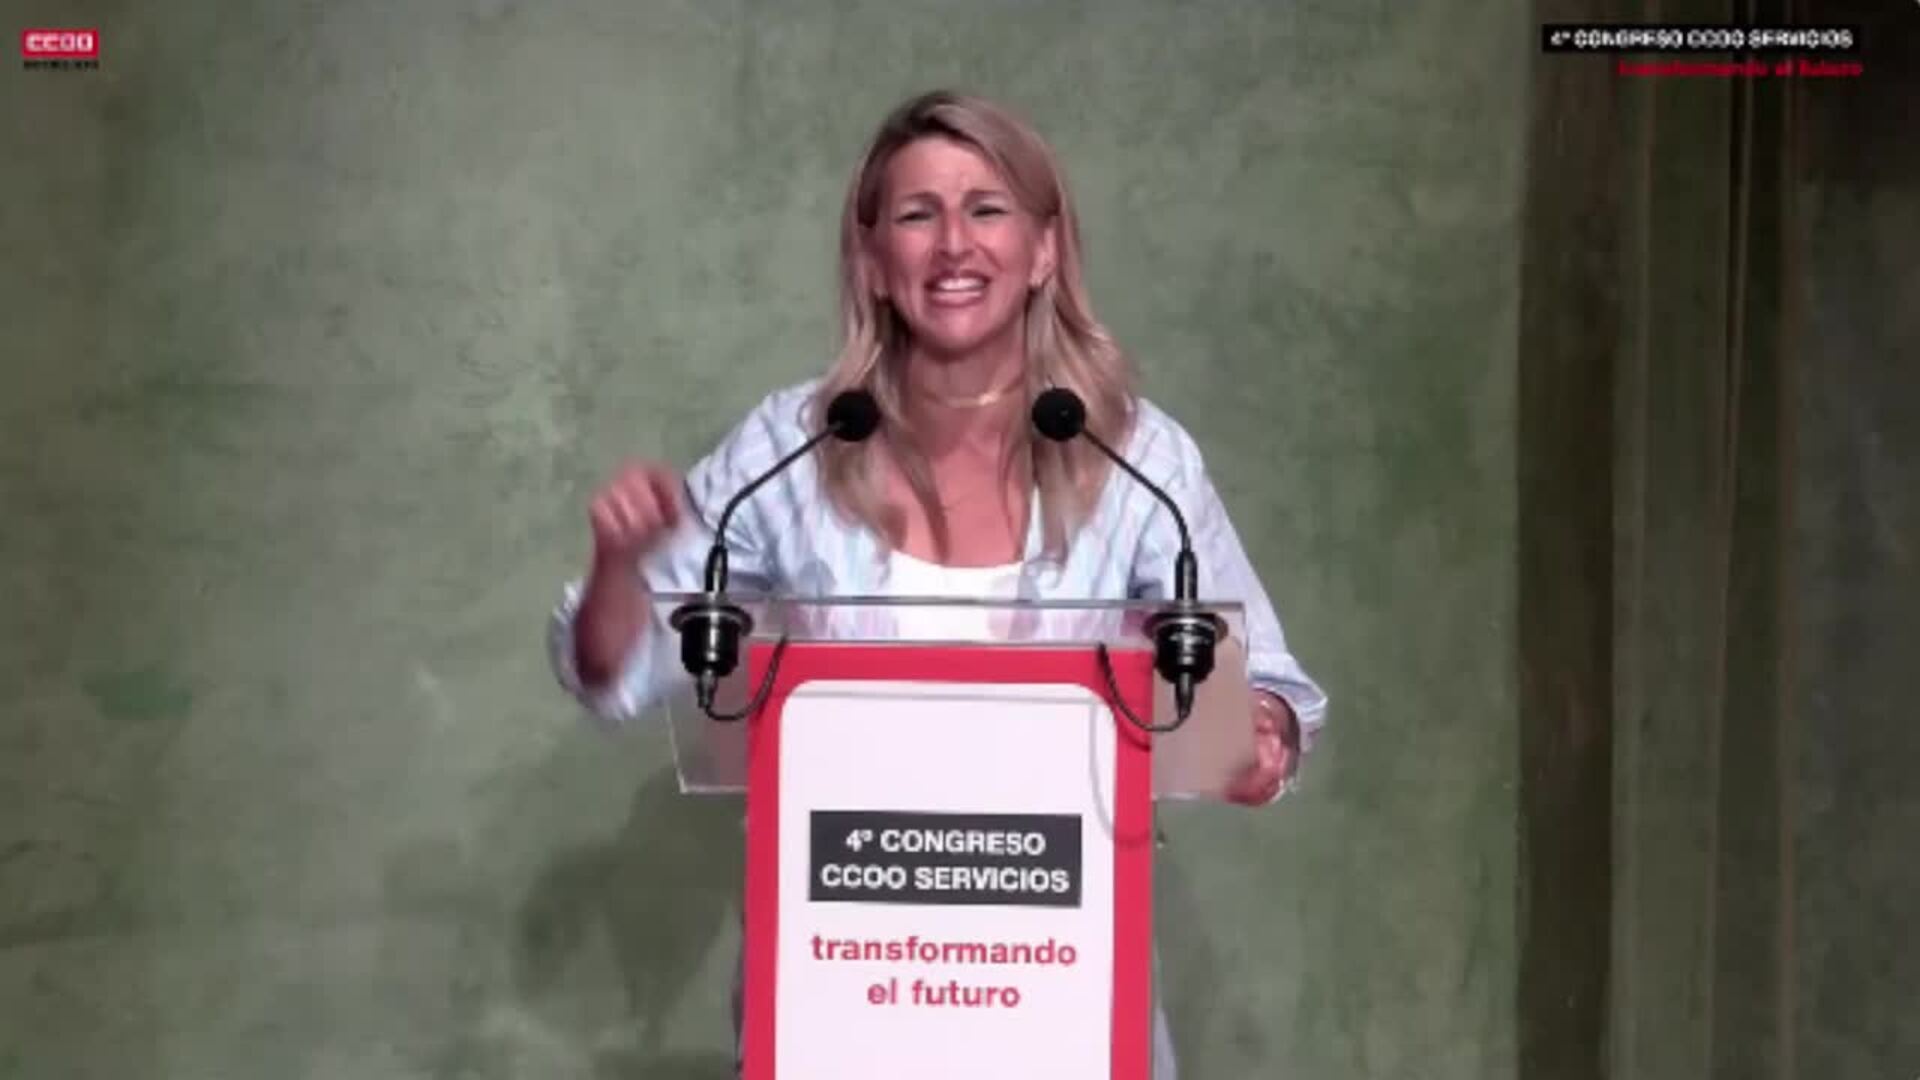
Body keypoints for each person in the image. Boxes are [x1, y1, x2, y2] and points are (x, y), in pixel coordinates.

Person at [547, 88, 1326, 1078]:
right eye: (918, 215)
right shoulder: (793, 446)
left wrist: (1257, 739)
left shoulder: (1137, 456)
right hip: (842, 997)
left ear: (1043, 250)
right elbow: (612, 674)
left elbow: (1271, 695)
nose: (954, 244)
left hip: (1065, 999)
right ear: (874, 259)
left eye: (987, 209)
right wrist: (619, 566)